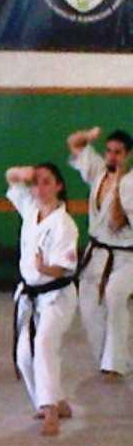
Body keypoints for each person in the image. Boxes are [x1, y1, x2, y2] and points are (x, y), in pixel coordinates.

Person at [6, 164, 79, 436]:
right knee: (24, 355)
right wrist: (23, 173)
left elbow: (62, 269)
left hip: (57, 296)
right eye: (36, 183)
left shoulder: (64, 223)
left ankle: (50, 412)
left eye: (47, 182)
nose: (39, 188)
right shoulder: (30, 208)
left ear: (59, 186)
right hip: (31, 295)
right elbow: (10, 177)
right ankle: (56, 401)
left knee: (44, 343)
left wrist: (43, 268)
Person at [67, 127, 133, 380]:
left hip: (126, 257)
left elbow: (116, 222)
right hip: (96, 253)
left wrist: (118, 184)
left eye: (118, 152)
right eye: (109, 151)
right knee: (89, 307)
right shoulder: (98, 172)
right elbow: (74, 143)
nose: (112, 156)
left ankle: (115, 364)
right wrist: (89, 136)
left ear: (128, 155)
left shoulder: (130, 183)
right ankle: (108, 358)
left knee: (114, 296)